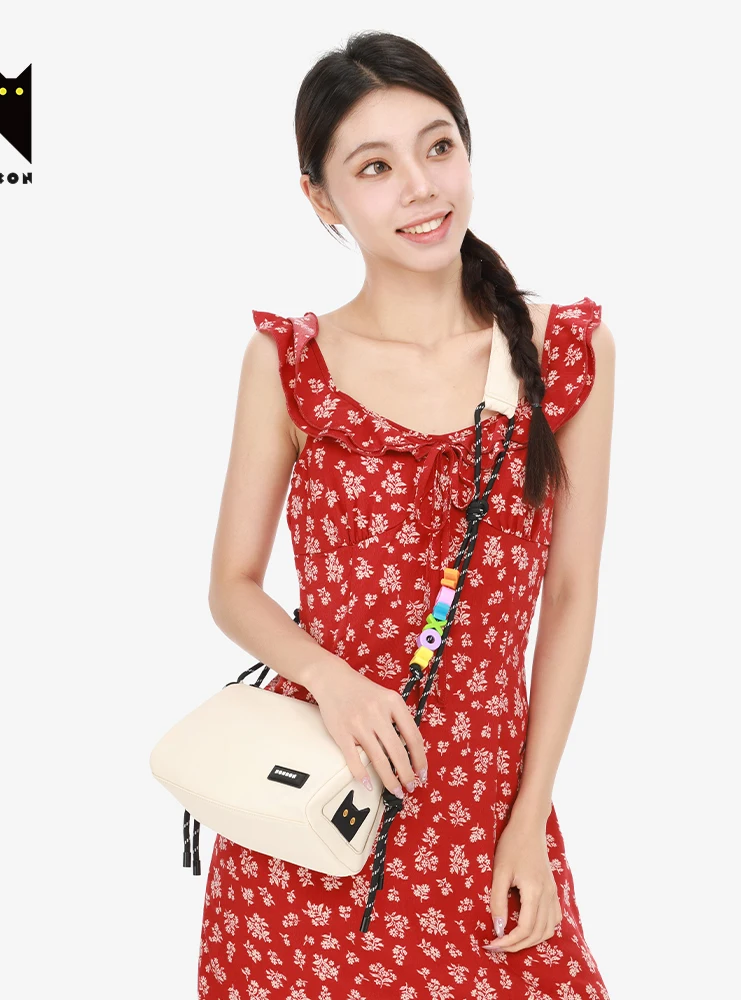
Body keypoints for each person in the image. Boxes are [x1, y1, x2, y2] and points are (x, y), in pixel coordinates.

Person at [200, 30, 615, 1000]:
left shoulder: (564, 353)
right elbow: (231, 585)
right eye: (375, 167)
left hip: (485, 817)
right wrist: (330, 680)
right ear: (322, 198)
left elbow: (570, 595)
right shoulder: (289, 365)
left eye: (438, 147)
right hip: (313, 816)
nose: (422, 188)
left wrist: (530, 816)